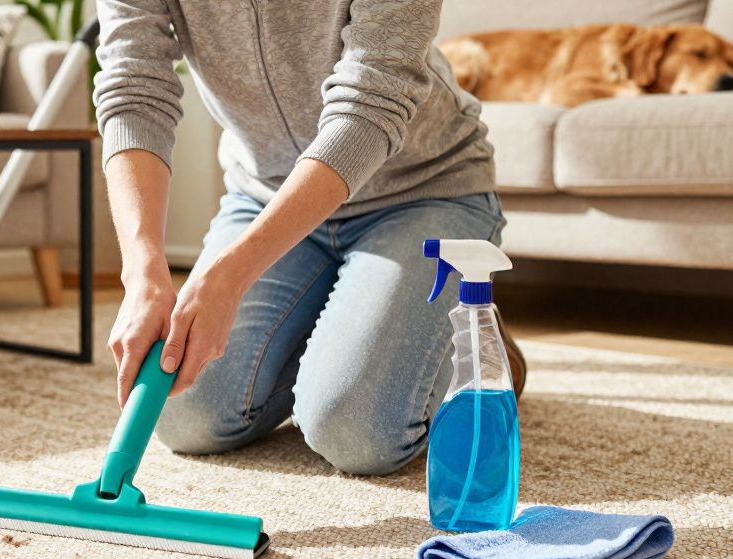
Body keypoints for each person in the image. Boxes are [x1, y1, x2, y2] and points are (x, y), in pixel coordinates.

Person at [94, 0, 524, 476]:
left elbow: (371, 102)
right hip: (266, 198)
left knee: (356, 430)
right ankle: (359, 325)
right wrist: (142, 273)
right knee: (186, 411)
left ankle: (471, 340)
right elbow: (134, 90)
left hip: (422, 189)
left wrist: (231, 275)